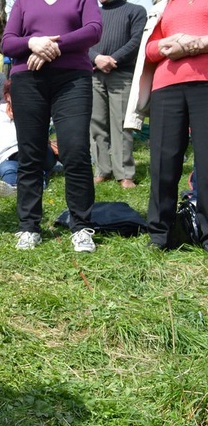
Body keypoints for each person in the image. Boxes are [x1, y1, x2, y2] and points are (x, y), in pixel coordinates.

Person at [2, 0, 102, 251]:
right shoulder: (23, 2)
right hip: (28, 79)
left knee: (75, 149)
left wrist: (52, 45)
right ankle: (28, 226)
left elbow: (94, 29)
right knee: (30, 153)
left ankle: (81, 227)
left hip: (72, 80)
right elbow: (8, 41)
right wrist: (31, 43)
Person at [124, 0, 207, 250]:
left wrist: (199, 43)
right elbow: (148, 50)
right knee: (163, 160)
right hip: (166, 87)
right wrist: (163, 45)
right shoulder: (165, 5)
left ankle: (205, 233)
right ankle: (160, 233)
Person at [89, 0, 146, 189]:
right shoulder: (92, 12)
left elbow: (136, 41)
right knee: (96, 124)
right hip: (94, 73)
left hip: (122, 74)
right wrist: (96, 58)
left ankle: (124, 173)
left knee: (122, 123)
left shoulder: (136, 11)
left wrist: (112, 59)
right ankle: (102, 170)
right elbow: (84, 41)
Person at [0, 79, 58, 197]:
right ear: (7, 96)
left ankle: (34, 184)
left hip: (34, 153)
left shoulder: (33, 110)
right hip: (7, 157)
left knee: (31, 162)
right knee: (8, 169)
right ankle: (14, 187)